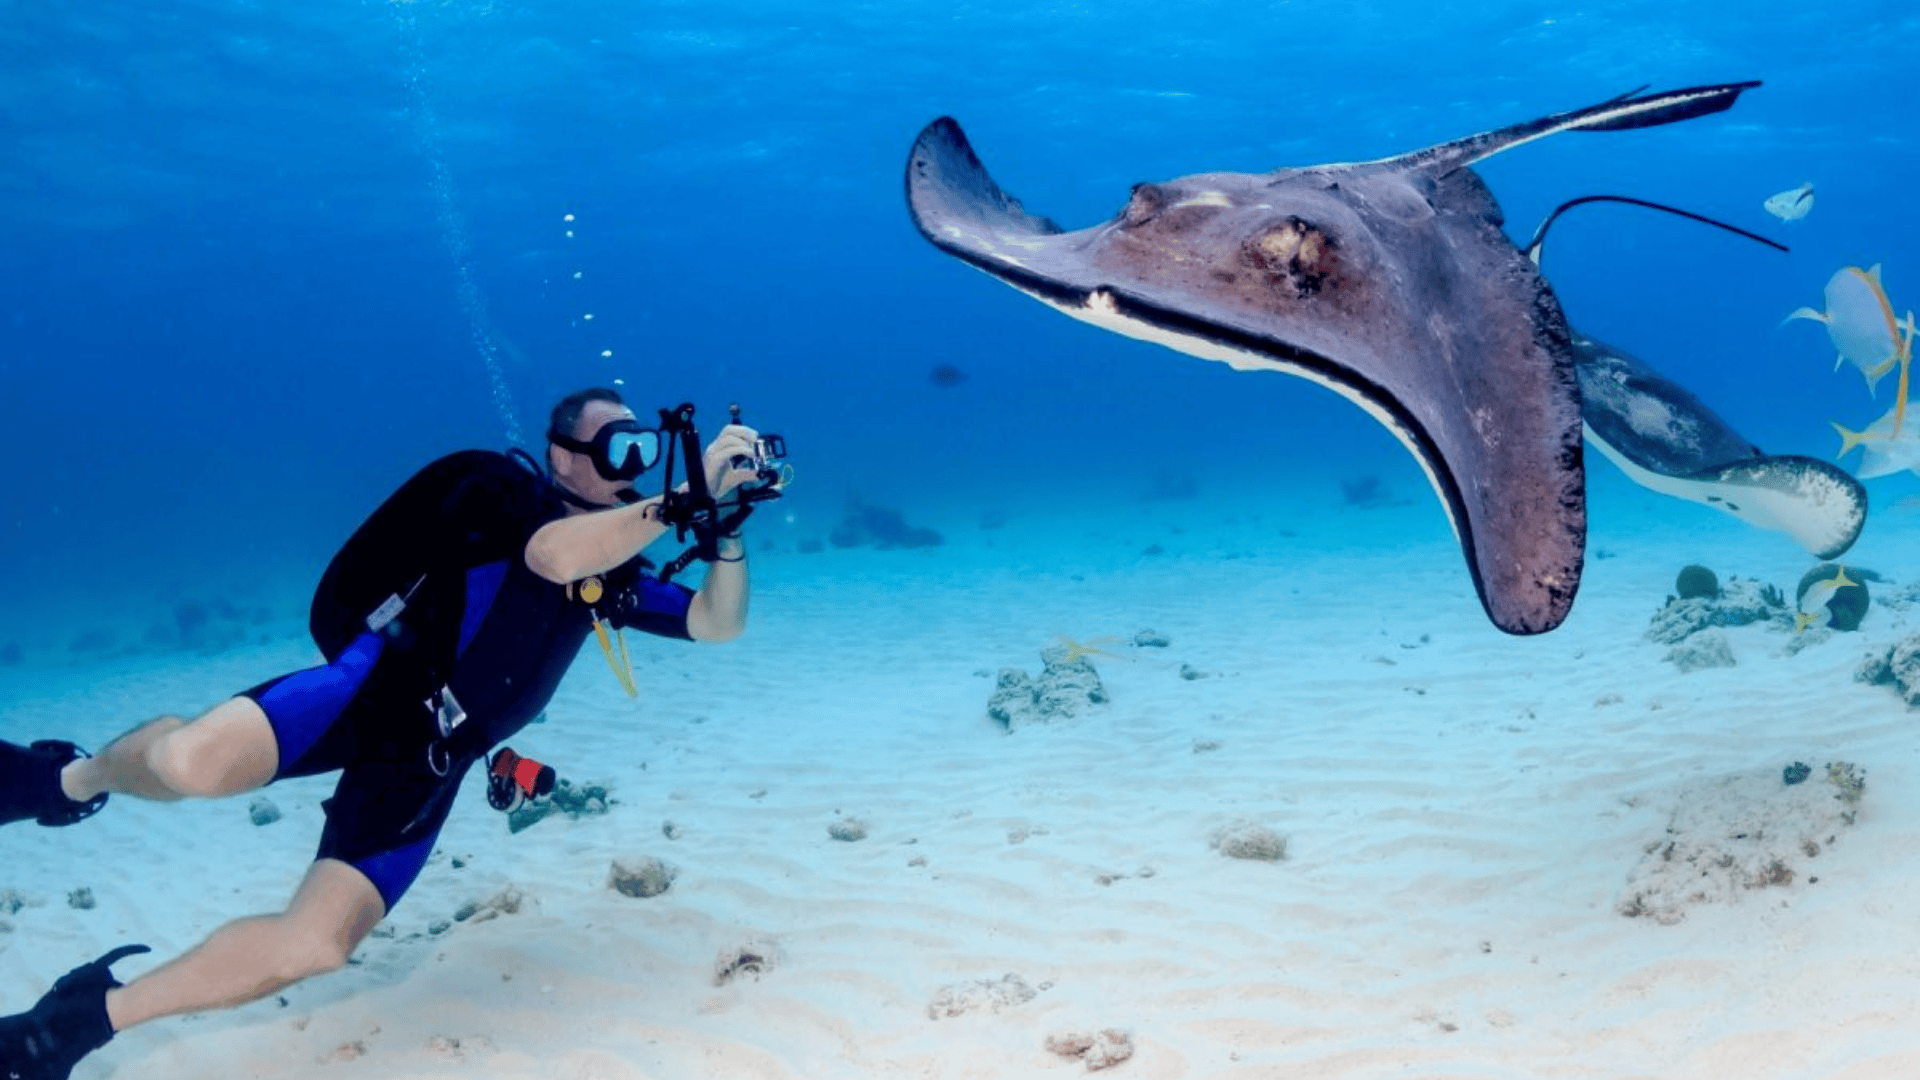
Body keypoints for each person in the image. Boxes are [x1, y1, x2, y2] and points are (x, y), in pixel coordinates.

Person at [0, 388, 765, 1079]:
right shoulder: (503, 491)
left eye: (642, 447)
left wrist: (726, 536)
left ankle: (78, 1019)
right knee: (190, 760)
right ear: (563, 454)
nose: (633, 463)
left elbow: (715, 622)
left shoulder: (617, 570)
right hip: (369, 693)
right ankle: (66, 780)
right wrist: (680, 499)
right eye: (617, 447)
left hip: (430, 762)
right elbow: (550, 554)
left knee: (318, 944)